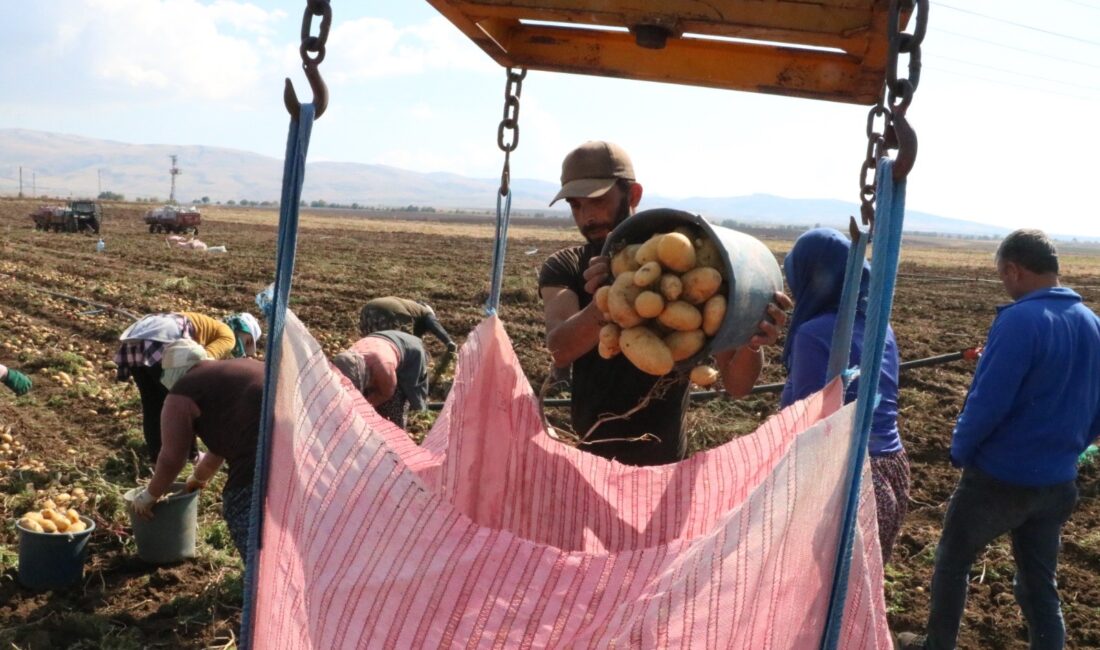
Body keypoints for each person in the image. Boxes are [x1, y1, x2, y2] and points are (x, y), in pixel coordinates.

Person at [897, 230, 1100, 650]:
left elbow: (987, 400)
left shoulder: (1019, 320)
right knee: (1038, 582)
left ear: (1014, 269)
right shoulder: (1092, 324)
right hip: (1058, 482)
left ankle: (938, 645)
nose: (1004, 283)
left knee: (952, 562)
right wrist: (1072, 450)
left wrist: (961, 449)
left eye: (1003, 275)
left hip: (999, 480)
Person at [538, 140, 790, 466]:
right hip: (588, 460)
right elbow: (558, 349)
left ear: (632, 196)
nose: (586, 217)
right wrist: (607, 302)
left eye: (596, 201)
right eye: (576, 206)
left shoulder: (687, 268)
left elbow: (738, 386)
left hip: (666, 464)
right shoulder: (566, 266)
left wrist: (751, 340)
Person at [778, 227, 909, 562]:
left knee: (823, 600)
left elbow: (805, 422)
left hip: (845, 483)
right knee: (860, 598)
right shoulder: (882, 327)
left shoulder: (813, 333)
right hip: (890, 472)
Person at [130, 339, 264, 563]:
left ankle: (260, 586)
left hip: (260, 456)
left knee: (240, 509)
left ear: (172, 373)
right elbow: (220, 449)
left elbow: (172, 458)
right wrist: (198, 478)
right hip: (305, 441)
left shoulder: (183, 391)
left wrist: (149, 496)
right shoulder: (235, 371)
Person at [115, 310, 262, 461]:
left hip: (135, 339)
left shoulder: (208, 325)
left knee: (152, 404)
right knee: (185, 401)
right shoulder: (228, 336)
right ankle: (192, 456)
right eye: (248, 342)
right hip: (161, 340)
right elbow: (203, 363)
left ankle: (156, 457)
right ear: (247, 336)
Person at [333, 330, 429, 429]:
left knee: (394, 406)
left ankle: (395, 437)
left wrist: (362, 408)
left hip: (412, 352)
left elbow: (386, 393)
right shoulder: (345, 360)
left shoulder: (383, 368)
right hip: (379, 340)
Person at [358, 297, 457, 352]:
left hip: (367, 309)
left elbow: (417, 334)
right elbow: (435, 325)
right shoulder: (426, 312)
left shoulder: (411, 307)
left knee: (372, 343)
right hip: (391, 313)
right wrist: (449, 342)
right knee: (405, 348)